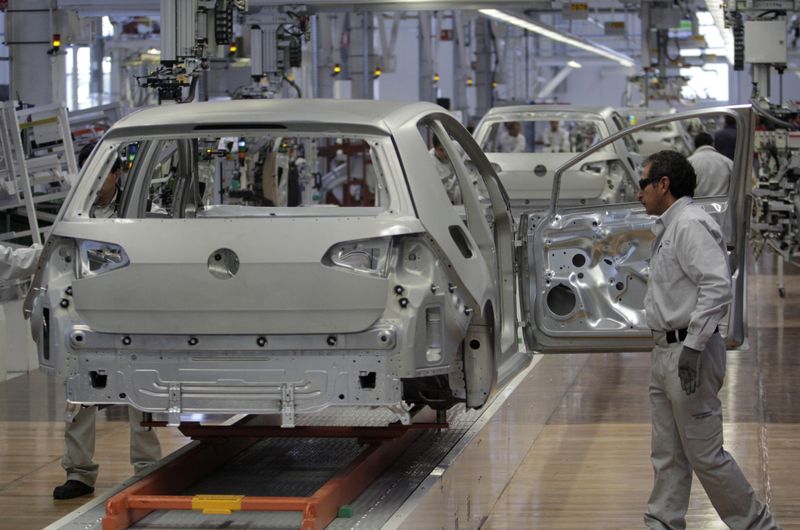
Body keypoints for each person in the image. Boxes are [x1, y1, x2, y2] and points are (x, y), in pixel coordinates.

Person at [637, 150, 780, 530]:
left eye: (642, 184)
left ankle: (759, 526)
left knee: (706, 456)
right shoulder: (670, 227)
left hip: (690, 354)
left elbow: (717, 287)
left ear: (663, 185)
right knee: (667, 454)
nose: (638, 194)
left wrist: (693, 347)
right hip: (666, 352)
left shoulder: (690, 225)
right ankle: (662, 523)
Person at [53, 143, 162, 500]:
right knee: (78, 396)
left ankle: (148, 467)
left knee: (140, 393)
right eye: (88, 175)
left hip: (133, 313)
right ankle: (79, 472)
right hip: (86, 313)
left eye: (101, 175)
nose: (94, 182)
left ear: (116, 174)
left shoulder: (143, 210)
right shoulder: (73, 212)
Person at [687, 131, 732, 197]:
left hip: (695, 205)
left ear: (695, 145)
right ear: (712, 144)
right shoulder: (726, 161)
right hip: (723, 205)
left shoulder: (689, 162)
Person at [430, 135, 461, 204]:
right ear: (434, 148)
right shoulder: (430, 162)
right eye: (441, 150)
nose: (445, 153)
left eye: (447, 148)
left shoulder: (457, 148)